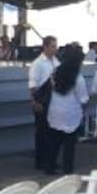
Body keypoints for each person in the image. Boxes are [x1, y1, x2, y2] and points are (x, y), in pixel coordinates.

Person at [45, 43, 89, 175]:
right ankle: (68, 169)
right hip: (71, 114)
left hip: (54, 111)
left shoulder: (55, 72)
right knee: (69, 144)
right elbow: (83, 99)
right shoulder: (78, 78)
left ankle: (50, 167)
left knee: (54, 142)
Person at [28, 36, 60, 170]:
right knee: (42, 132)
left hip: (53, 100)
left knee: (52, 131)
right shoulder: (38, 63)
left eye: (55, 46)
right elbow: (33, 84)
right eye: (52, 46)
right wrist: (35, 101)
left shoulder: (56, 62)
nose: (55, 49)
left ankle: (50, 159)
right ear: (45, 47)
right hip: (42, 99)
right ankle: (41, 161)